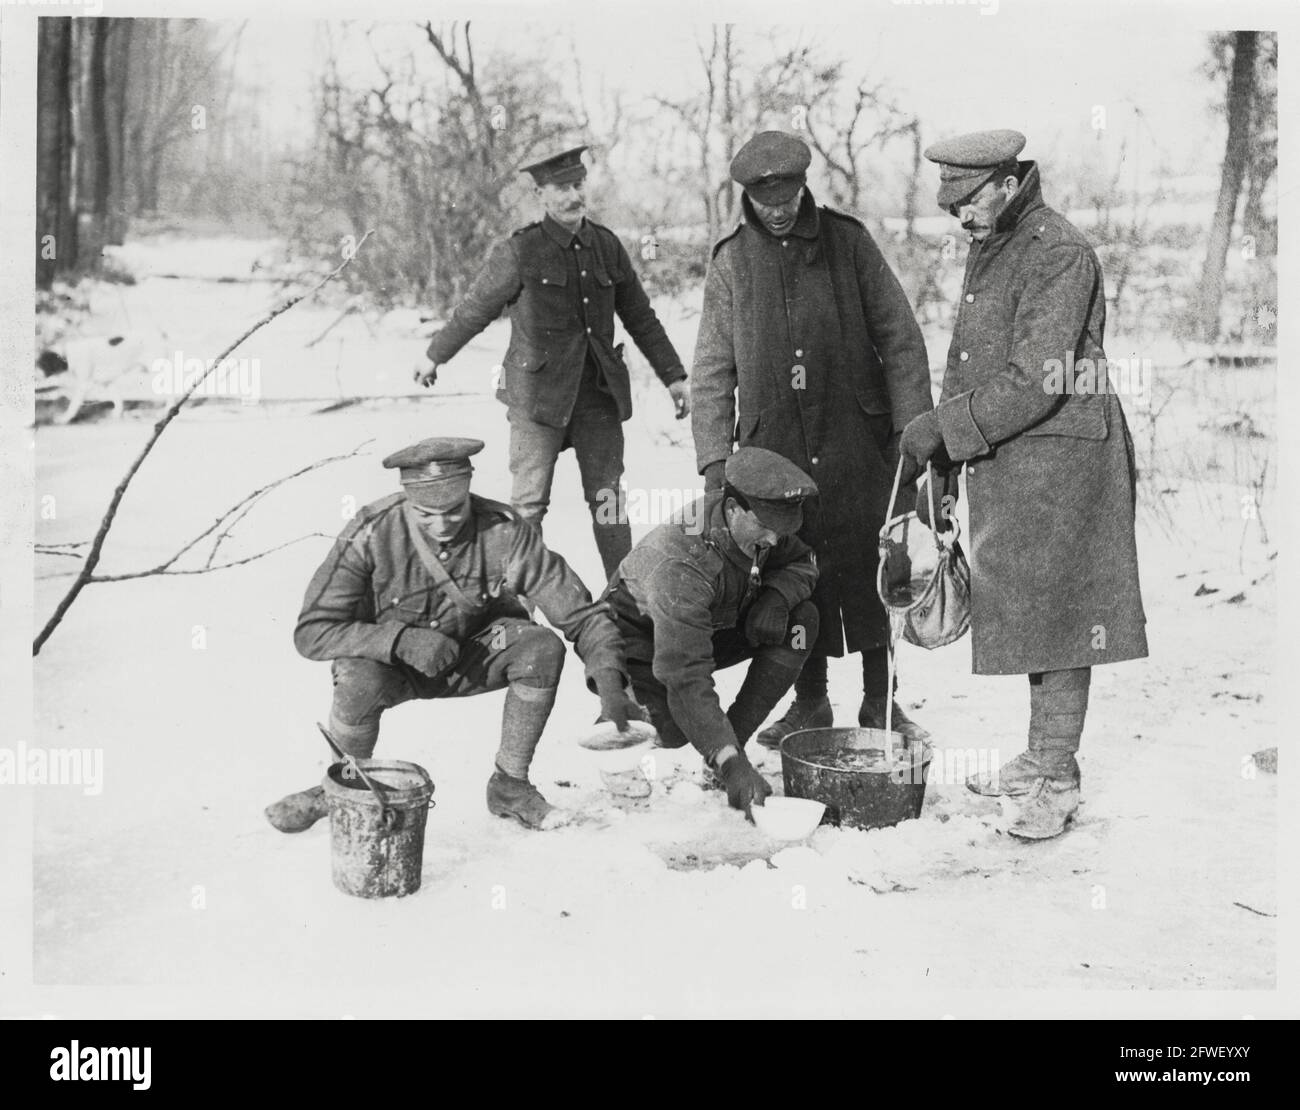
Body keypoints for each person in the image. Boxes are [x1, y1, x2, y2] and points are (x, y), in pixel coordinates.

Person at [899, 129, 1148, 840]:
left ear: (1009, 183)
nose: (961, 217)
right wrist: (943, 454)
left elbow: (1041, 374)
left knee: (1063, 616)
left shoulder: (1056, 251)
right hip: (1018, 455)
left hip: (1066, 458)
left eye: (969, 201)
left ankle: (1056, 780)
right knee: (1036, 612)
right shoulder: (998, 243)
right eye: (951, 206)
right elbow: (970, 360)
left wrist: (945, 430)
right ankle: (1039, 758)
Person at [691, 131, 935, 750]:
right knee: (796, 574)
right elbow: (713, 367)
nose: (778, 209)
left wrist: (911, 433)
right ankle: (810, 702)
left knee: (875, 566)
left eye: (789, 195)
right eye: (764, 199)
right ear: (748, 196)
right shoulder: (731, 262)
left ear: (804, 185)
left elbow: (900, 337)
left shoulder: (848, 242)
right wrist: (717, 460)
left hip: (857, 438)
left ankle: (882, 703)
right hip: (773, 450)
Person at [265, 437, 633, 833]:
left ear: (469, 491)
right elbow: (313, 632)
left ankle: (510, 786)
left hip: (474, 655)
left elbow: (580, 614)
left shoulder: (504, 533)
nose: (441, 525)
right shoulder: (370, 533)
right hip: (392, 668)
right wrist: (399, 640)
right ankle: (343, 785)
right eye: (426, 515)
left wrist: (611, 681)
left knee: (540, 648)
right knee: (357, 676)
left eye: (454, 510)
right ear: (407, 500)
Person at [420, 146, 689, 580]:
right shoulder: (520, 251)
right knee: (528, 505)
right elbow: (477, 308)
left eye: (578, 185)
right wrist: (436, 355)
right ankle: (518, 604)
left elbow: (641, 316)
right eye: (561, 188)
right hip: (536, 400)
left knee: (608, 501)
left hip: (597, 398)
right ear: (540, 195)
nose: (572, 196)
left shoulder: (606, 246)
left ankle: (624, 601)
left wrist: (675, 377)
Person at [602, 447, 820, 817]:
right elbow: (686, 673)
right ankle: (617, 727)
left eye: (779, 530)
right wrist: (730, 763)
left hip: (711, 621)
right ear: (733, 510)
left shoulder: (763, 521)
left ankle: (731, 744)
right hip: (641, 639)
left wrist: (778, 596)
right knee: (672, 728)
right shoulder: (681, 561)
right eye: (765, 527)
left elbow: (805, 560)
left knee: (801, 620)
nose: (772, 539)